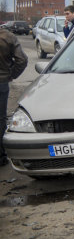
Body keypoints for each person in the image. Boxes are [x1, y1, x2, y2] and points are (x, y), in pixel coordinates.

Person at [0, 26, 28, 165]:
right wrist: (11, 75)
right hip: (1, 82)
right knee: (0, 119)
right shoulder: (8, 37)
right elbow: (21, 60)